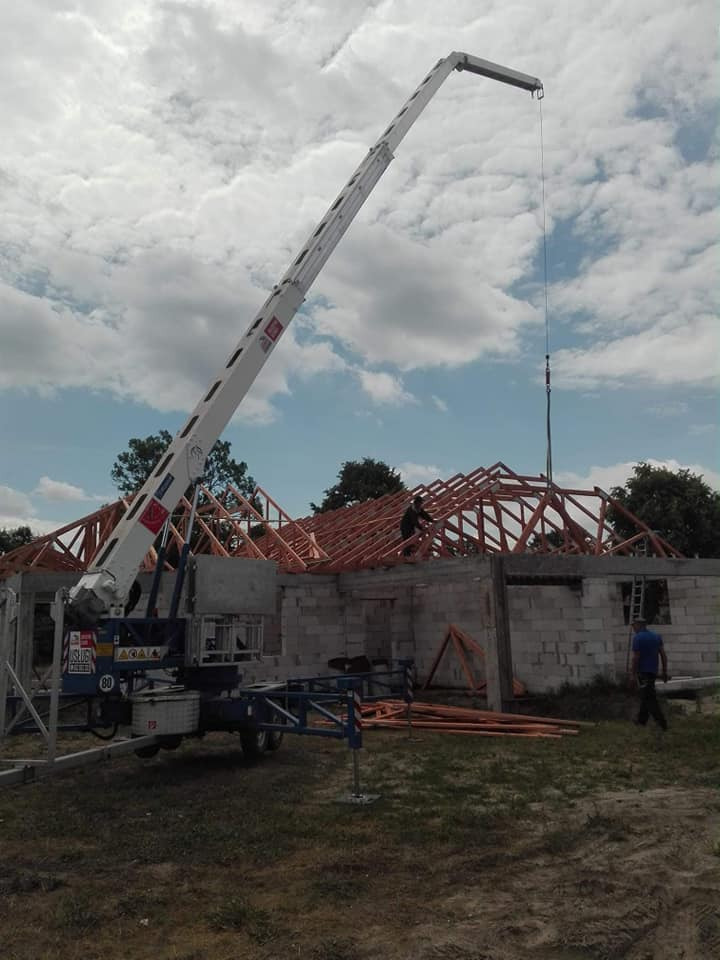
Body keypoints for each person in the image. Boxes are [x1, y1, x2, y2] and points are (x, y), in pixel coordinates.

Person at [630, 617, 668, 731]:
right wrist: (664, 672)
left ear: (639, 625)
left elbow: (636, 658)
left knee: (650, 699)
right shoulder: (656, 636)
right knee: (646, 695)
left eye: (634, 626)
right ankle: (641, 721)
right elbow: (663, 656)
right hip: (652, 672)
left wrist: (632, 675)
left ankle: (662, 724)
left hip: (643, 673)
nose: (633, 628)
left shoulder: (637, 638)